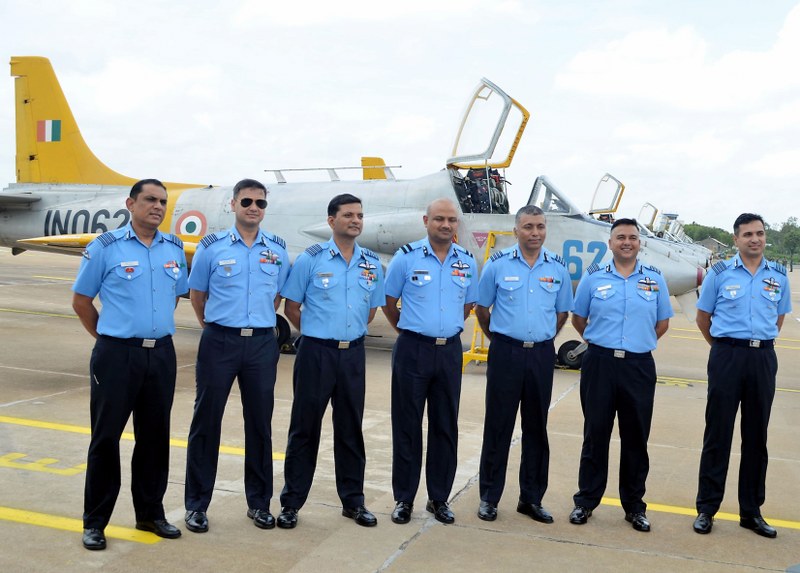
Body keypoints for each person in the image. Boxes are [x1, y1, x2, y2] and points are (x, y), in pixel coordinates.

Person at [72, 179, 188, 550]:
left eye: (163, 201)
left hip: (161, 354)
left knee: (155, 438)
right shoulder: (105, 247)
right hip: (117, 355)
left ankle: (150, 514)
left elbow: (174, 296)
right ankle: (95, 522)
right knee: (106, 438)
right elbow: (81, 301)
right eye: (150, 199)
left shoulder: (173, 248)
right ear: (131, 203)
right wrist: (110, 337)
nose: (158, 206)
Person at [184, 179, 289, 533]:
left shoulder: (277, 249)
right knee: (206, 421)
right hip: (220, 341)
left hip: (260, 345)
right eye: (246, 201)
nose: (253, 207)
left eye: (260, 202)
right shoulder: (211, 247)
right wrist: (216, 327)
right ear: (233, 204)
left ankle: (259, 503)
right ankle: (197, 505)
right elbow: (197, 295)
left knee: (259, 424)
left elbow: (276, 296)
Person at [276, 193, 385, 529]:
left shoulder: (370, 262)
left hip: (352, 354)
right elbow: (292, 306)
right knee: (304, 429)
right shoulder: (311, 259)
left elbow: (371, 310)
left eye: (359, 215)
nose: (355, 220)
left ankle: (353, 502)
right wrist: (317, 332)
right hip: (316, 353)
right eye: (348, 215)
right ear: (331, 220)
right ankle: (291, 503)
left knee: (351, 429)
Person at [569, 218, 672, 533]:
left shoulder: (655, 278)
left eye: (633, 237)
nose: (627, 242)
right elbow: (579, 318)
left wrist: (636, 344)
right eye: (621, 237)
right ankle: (586, 501)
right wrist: (602, 341)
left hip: (638, 366)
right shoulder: (593, 276)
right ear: (610, 243)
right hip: (600, 363)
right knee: (595, 434)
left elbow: (662, 323)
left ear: (640, 243)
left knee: (636, 438)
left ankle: (635, 507)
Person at [692, 213, 792, 538]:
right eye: (747, 234)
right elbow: (703, 317)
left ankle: (751, 511)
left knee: (756, 437)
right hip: (727, 356)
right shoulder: (719, 274)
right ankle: (707, 508)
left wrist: (756, 344)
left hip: (762, 357)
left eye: (759, 233)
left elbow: (778, 319)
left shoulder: (779, 276)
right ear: (736, 239)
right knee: (717, 434)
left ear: (765, 237)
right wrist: (725, 348)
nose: (755, 239)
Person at [474, 206, 573, 523]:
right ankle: (489, 498)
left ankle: (531, 499)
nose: (535, 233)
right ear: (516, 230)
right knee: (498, 426)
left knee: (536, 428)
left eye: (540, 226)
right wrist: (500, 339)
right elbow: (482, 309)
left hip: (541, 355)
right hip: (506, 353)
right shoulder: (497, 264)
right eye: (528, 226)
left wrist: (544, 338)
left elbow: (562, 312)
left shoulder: (557, 268)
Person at [383, 198, 478, 525]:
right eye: (439, 219)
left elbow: (468, 305)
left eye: (451, 220)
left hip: (449, 352)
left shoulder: (466, 261)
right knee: (407, 426)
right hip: (413, 349)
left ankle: (439, 498)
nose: (446, 225)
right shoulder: (406, 257)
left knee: (445, 426)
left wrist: (444, 329)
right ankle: (404, 499)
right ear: (426, 221)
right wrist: (409, 330)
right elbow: (389, 301)